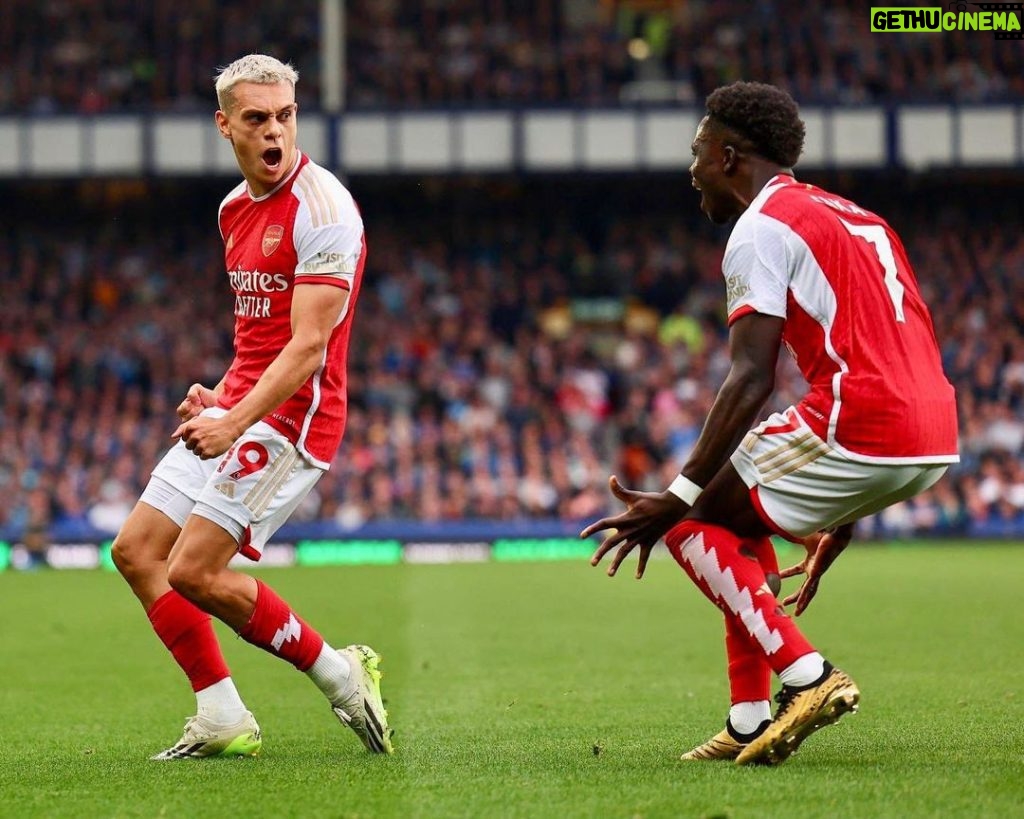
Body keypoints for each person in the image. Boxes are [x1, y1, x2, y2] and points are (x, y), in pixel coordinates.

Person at [582, 81, 959, 765]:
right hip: (934, 430)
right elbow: (900, 349)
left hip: (862, 415)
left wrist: (677, 495)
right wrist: (843, 512)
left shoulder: (759, 226)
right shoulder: (861, 217)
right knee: (735, 520)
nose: (691, 169)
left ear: (729, 156)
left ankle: (808, 676)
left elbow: (751, 375)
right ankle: (750, 720)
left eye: (697, 153)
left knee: (693, 522)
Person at [111, 54, 392, 759]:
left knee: (193, 571)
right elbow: (258, 333)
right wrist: (222, 391)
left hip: (295, 419)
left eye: (286, 116)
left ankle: (340, 671)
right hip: (243, 401)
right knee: (137, 550)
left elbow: (306, 350)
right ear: (225, 125)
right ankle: (222, 713)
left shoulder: (324, 209)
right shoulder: (233, 208)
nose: (275, 132)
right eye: (258, 119)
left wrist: (235, 420)